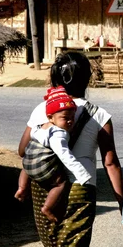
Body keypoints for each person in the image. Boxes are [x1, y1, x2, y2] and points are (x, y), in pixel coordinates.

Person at [18, 51, 123, 247]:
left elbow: (22, 149)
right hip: (80, 189)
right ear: (87, 78)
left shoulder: (43, 110)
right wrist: (121, 201)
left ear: (54, 76)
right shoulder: (99, 115)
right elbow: (111, 163)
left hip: (45, 187)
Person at [17, 85, 92, 223]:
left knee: (26, 164)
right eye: (65, 118)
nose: (70, 121)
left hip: (28, 165)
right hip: (43, 168)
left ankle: (22, 188)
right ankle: (47, 208)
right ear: (51, 117)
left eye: (72, 117)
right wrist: (82, 174)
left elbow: (28, 140)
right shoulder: (59, 134)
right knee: (60, 184)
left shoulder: (41, 126)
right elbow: (65, 156)